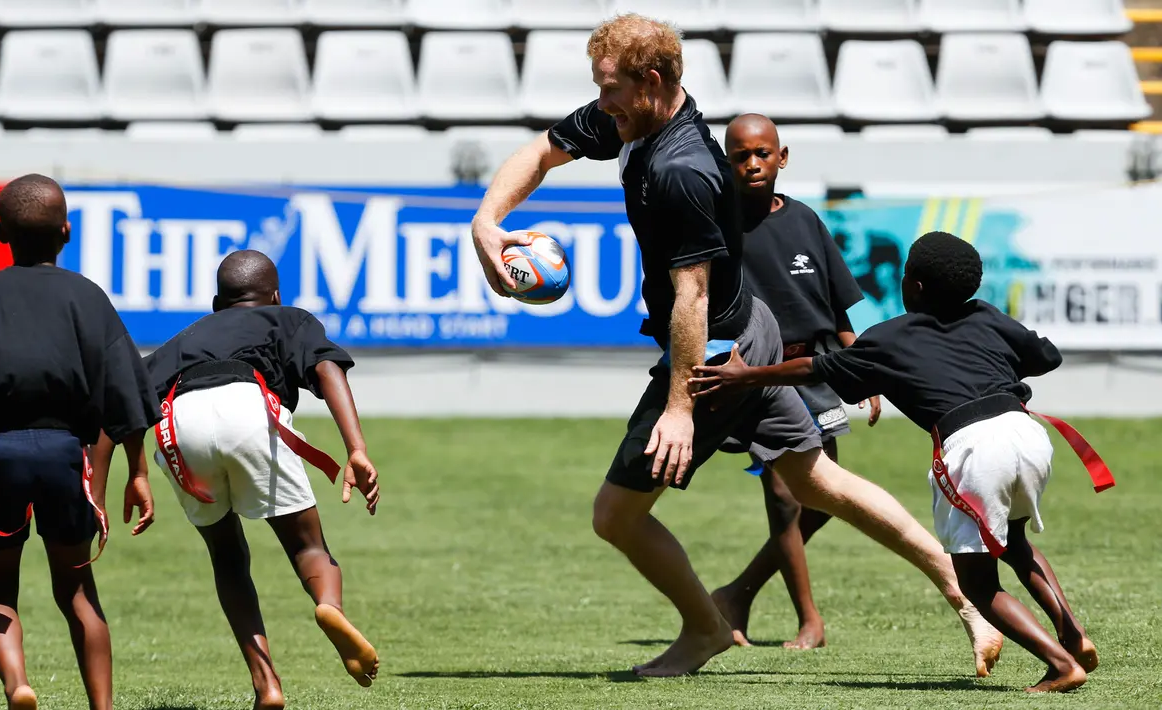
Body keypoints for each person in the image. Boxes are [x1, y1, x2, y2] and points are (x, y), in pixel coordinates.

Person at [471, 13, 1002, 678]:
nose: (600, 103)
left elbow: (690, 299)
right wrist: (487, 221)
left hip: (718, 352)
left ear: (652, 81)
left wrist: (678, 406)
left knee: (616, 516)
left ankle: (703, 631)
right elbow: (542, 151)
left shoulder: (683, 171)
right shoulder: (630, 116)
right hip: (745, 324)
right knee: (820, 484)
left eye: (609, 89)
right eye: (598, 89)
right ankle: (971, 601)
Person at [691, 231, 1110, 692]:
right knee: (1014, 543)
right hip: (1027, 434)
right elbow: (1045, 355)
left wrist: (745, 376)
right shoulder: (986, 317)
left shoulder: (889, 339)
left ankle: (1060, 663)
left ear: (914, 287)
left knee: (977, 585)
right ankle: (1073, 633)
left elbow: (814, 367)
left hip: (974, 449)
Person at [93, 250, 380, 709]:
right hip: (249, 408)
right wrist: (356, 449)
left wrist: (109, 490)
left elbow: (116, 415)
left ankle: (266, 684)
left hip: (178, 425)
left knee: (227, 558)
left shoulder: (183, 338)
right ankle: (330, 606)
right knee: (307, 547)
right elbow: (327, 369)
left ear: (215, 303)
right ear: (275, 295)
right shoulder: (288, 318)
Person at [0, 174, 160, 710]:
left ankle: (19, 685)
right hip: (67, 458)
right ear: (67, 232)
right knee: (78, 591)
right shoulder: (88, 298)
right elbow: (125, 392)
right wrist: (139, 472)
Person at [709, 113, 881, 650]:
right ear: (727, 164)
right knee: (785, 494)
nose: (753, 163)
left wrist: (865, 371)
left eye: (763, 153)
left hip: (813, 374)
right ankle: (810, 621)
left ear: (782, 158)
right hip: (755, 374)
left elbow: (840, 313)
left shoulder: (805, 220)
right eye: (741, 156)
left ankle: (736, 593)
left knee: (824, 497)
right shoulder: (717, 227)